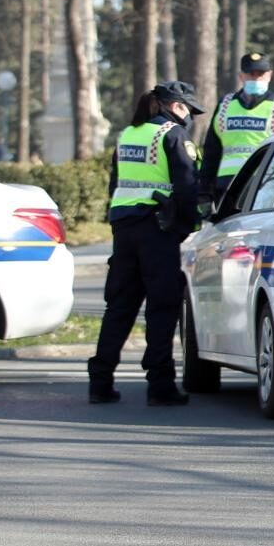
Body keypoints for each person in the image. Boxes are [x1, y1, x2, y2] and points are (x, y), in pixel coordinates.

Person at [87, 80, 205, 407]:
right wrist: (188, 226)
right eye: (187, 109)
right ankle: (160, 385)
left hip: (125, 229)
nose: (189, 116)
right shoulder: (173, 135)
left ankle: (100, 381)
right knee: (162, 307)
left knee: (120, 306)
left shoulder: (128, 134)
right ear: (175, 106)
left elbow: (116, 182)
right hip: (158, 229)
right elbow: (185, 188)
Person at [198, 52, 274, 206]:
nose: (255, 79)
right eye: (251, 74)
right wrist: (204, 192)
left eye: (260, 74)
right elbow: (211, 152)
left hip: (268, 184)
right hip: (227, 186)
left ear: (269, 75)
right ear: (241, 76)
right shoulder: (225, 105)